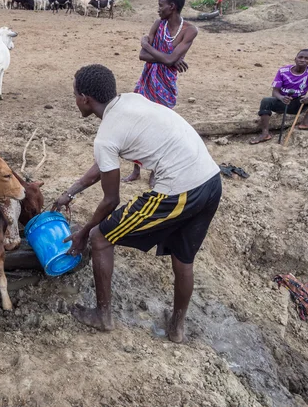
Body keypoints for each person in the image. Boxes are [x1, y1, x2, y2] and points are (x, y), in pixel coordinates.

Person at [52, 64, 221, 342]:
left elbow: (111, 200)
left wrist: (83, 234)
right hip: (210, 180)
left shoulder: (105, 136)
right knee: (183, 257)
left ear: (85, 99)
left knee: (100, 237)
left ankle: (103, 315)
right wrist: (72, 191)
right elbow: (105, 162)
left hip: (177, 192)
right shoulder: (131, 100)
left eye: (74, 95)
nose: (74, 101)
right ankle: (177, 329)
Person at [124, 0, 198, 189]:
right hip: (147, 79)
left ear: (171, 7)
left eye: (160, 4)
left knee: (160, 128)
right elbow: (143, 56)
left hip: (166, 83)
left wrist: (147, 45)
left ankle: (155, 171)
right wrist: (168, 59)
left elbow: (167, 58)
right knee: (138, 124)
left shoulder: (189, 30)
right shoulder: (158, 24)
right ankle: (136, 170)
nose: (158, 9)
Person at [250, 49, 308, 144]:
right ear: (295, 59)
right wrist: (281, 98)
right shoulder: (283, 71)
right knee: (266, 101)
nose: (302, 60)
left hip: (301, 102)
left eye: (306, 58)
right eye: (300, 57)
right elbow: (275, 92)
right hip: (284, 103)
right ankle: (265, 134)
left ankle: (306, 122)